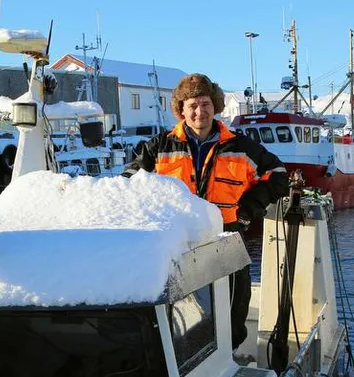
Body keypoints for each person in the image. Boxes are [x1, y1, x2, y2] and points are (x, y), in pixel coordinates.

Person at [123, 73, 288, 350]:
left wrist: (248, 209)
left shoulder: (240, 146)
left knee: (234, 310)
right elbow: (129, 180)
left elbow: (278, 175)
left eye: (205, 103)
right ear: (181, 110)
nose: (200, 111)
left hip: (227, 238)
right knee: (178, 313)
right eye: (192, 105)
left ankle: (229, 359)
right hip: (178, 243)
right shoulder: (160, 147)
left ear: (215, 105)